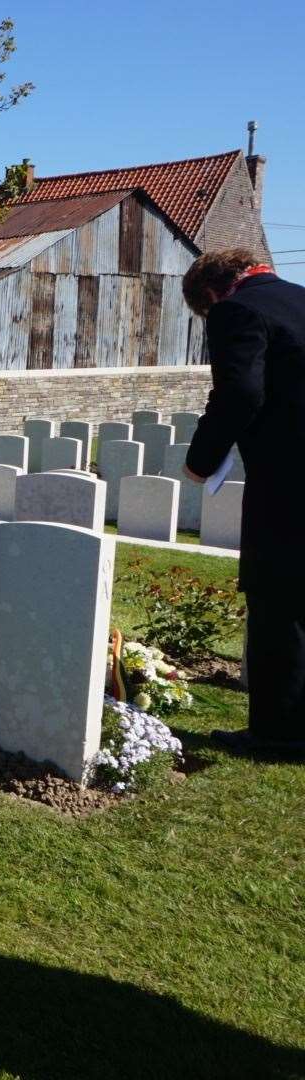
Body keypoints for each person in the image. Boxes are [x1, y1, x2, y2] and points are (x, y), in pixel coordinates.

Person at [181, 249, 305, 758]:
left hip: (289, 477)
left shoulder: (239, 309)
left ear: (212, 294)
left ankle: (277, 733)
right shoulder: (298, 300)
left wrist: (202, 461)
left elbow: (240, 392)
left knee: (277, 602)